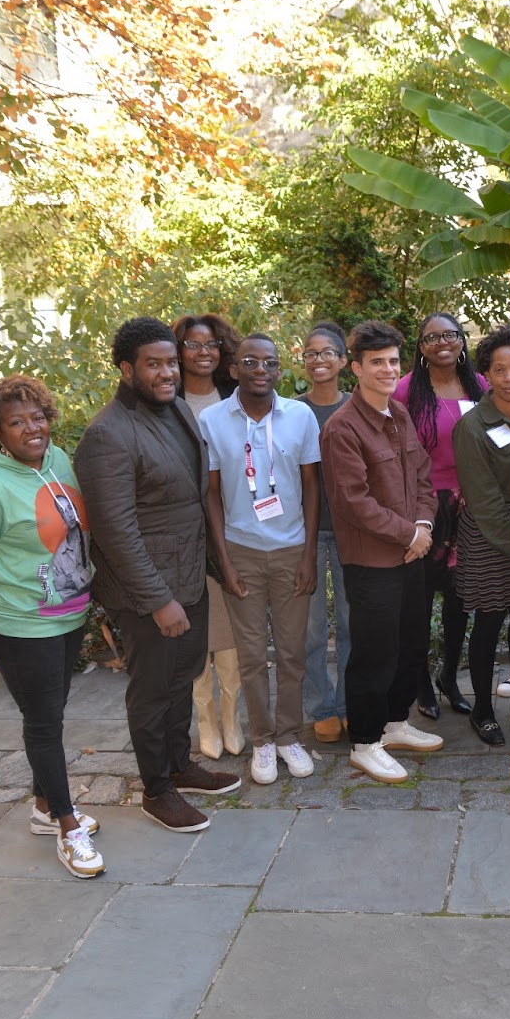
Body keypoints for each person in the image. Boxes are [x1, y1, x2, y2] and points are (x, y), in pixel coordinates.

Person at [75, 318, 240, 835]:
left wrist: (216, 570)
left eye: (171, 361)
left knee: (181, 677)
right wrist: (159, 601)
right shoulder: (108, 435)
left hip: (188, 577)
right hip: (149, 592)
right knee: (152, 690)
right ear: (127, 369)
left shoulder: (175, 413)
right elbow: (116, 532)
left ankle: (178, 765)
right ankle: (157, 790)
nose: (168, 371)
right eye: (155, 363)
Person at [0, 375, 103, 878]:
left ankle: (40, 806)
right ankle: (66, 823)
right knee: (44, 721)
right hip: (15, 621)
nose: (31, 429)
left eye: (38, 417)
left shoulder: (58, 461)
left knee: (52, 709)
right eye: (16, 422)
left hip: (67, 612)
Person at [321, 320, 445, 784]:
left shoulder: (401, 414)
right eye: (377, 362)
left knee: (410, 644)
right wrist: (407, 534)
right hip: (373, 562)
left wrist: (425, 526)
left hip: (411, 552)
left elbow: (422, 478)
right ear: (355, 367)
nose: (388, 369)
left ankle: (394, 722)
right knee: (373, 653)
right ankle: (366, 742)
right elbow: (352, 502)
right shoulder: (342, 428)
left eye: (394, 361)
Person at [200, 334, 321, 787]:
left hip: (291, 550)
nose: (259, 369)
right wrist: (224, 562)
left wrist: (308, 553)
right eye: (249, 361)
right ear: (234, 369)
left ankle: (290, 735)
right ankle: (263, 742)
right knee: (250, 656)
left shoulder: (300, 416)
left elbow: (311, 486)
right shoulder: (212, 420)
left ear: (278, 371)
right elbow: (210, 495)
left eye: (269, 362)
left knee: (292, 654)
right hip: (241, 551)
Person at [452, 326, 510, 747]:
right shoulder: (472, 426)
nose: (509, 377)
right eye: (500, 370)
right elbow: (483, 497)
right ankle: (483, 710)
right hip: (491, 535)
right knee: (489, 623)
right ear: (486, 373)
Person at [393, 312, 483, 718]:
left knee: (460, 600)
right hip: (426, 508)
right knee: (421, 599)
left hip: (471, 508)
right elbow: (395, 456)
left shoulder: (478, 385)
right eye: (432, 337)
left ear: (462, 340)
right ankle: (421, 680)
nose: (442, 342)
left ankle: (449, 675)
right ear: (421, 346)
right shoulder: (406, 392)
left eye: (450, 335)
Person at [172, 313, 245, 760]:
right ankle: (205, 718)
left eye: (212, 344)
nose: (204, 352)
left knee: (229, 623)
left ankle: (233, 717)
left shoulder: (237, 398)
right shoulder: (164, 401)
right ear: (176, 352)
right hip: (180, 531)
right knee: (194, 628)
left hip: (232, 525)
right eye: (193, 345)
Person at [298, 322, 352, 743]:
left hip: (353, 532)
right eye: (311, 353)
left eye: (327, 352)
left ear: (344, 361)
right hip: (307, 534)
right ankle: (320, 705)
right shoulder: (291, 410)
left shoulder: (357, 407)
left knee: (353, 623)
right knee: (311, 628)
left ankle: (351, 702)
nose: (319, 360)